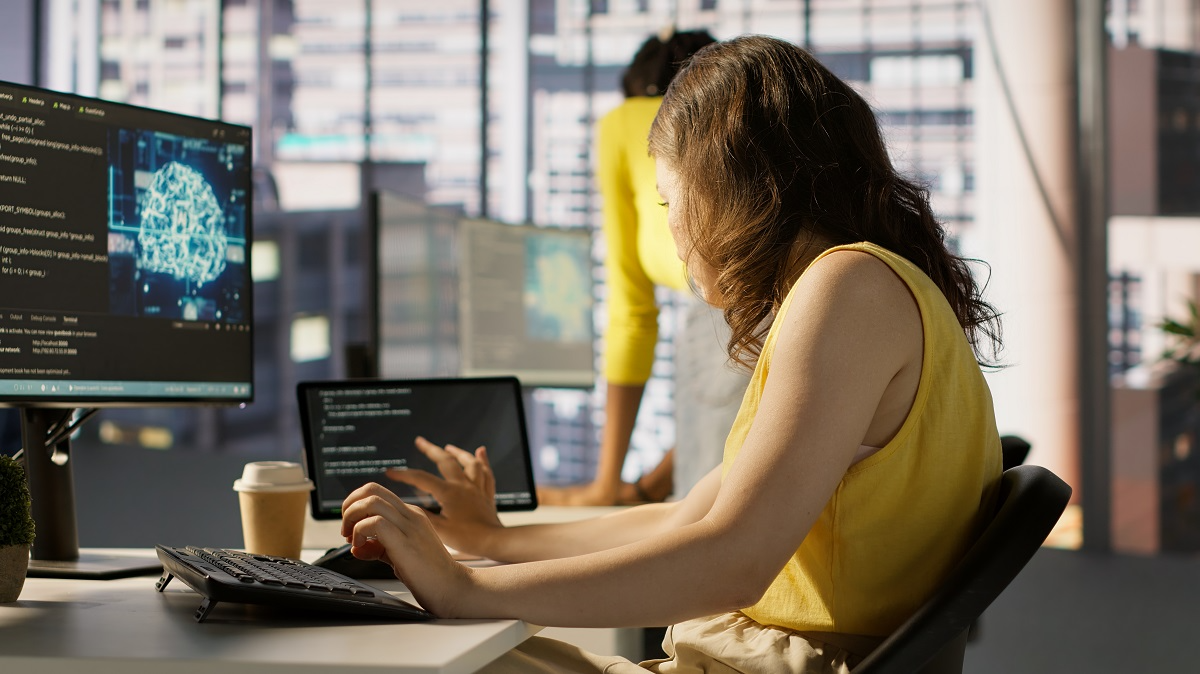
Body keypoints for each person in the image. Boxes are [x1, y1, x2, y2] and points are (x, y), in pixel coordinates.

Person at [341, 35, 1004, 673]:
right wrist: (491, 544)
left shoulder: (847, 290)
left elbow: (733, 561)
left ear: (727, 183)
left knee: (384, 658)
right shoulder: (865, 290)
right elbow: (691, 518)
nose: (671, 228)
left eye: (668, 198)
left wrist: (465, 590)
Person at [540, 27, 752, 507]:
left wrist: (603, 486)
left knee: (709, 525)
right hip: (778, 286)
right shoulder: (728, 121)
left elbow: (631, 313)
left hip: (725, 297)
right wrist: (642, 490)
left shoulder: (621, 123)